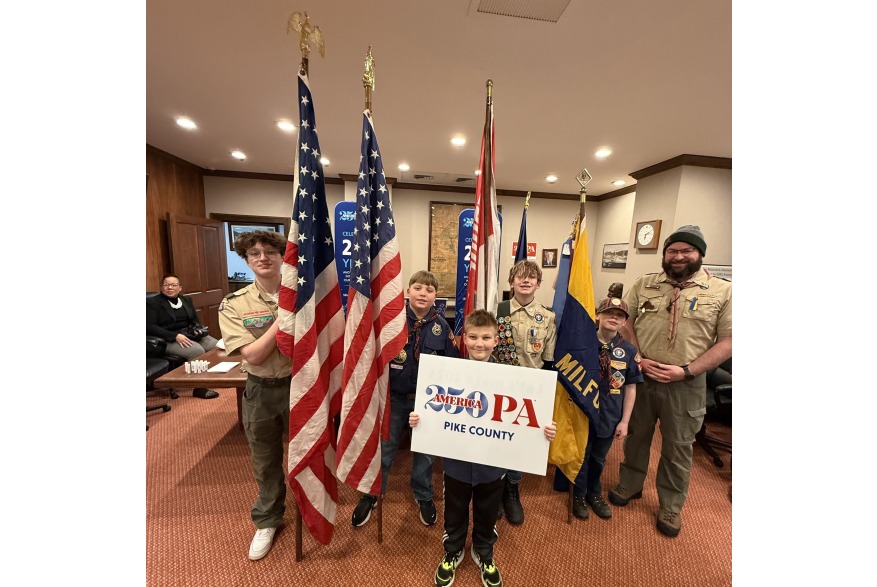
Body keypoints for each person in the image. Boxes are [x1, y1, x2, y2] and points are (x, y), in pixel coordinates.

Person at [409, 309, 556, 587]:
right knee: (455, 508)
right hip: (457, 464)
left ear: (496, 340)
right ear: (464, 339)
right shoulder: (448, 374)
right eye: (474, 337)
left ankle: (484, 551)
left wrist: (543, 430)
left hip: (493, 464)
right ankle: (453, 550)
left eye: (486, 337)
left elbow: (527, 417)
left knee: (488, 510)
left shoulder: (512, 378)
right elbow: (433, 408)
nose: (480, 343)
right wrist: (420, 419)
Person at [609, 225, 732, 537]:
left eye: (686, 251)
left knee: (678, 448)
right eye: (673, 251)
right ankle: (630, 485)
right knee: (636, 436)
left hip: (686, 383)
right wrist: (637, 358)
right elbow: (624, 322)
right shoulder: (644, 284)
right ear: (665, 255)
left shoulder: (722, 291)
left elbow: (728, 342)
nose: (679, 256)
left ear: (699, 254)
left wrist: (688, 370)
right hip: (642, 375)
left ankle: (671, 506)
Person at [351, 270, 459, 528]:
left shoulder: (441, 326)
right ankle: (372, 492)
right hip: (394, 398)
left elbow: (453, 365)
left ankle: (423, 494)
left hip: (428, 402)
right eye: (418, 287)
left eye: (430, 290)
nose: (423, 293)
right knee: (385, 449)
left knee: (425, 454)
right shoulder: (391, 322)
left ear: (436, 296)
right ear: (407, 291)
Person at [217, 230, 291, 560]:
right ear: (246, 260)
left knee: (313, 453)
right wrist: (284, 317)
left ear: (282, 256)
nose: (262, 257)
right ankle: (268, 519)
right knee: (266, 461)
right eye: (254, 253)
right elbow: (254, 355)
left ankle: (314, 509)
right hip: (262, 391)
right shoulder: (235, 304)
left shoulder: (307, 295)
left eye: (270, 251)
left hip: (302, 387)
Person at [552, 296, 643, 520]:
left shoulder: (629, 351)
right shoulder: (582, 346)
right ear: (597, 316)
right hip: (582, 412)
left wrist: (625, 421)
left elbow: (630, 387)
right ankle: (579, 494)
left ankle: (594, 492)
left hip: (609, 415)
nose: (614, 318)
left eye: (620, 315)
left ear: (624, 322)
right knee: (581, 454)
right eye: (609, 313)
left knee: (598, 458)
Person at [491, 260, 557, 525]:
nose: (526, 281)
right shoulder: (498, 311)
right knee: (497, 438)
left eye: (531, 277)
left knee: (520, 442)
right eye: (520, 277)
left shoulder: (548, 316)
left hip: (531, 388)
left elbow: (549, 360)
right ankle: (494, 489)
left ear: (538, 283)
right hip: (499, 385)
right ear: (512, 282)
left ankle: (512, 489)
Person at [146, 273, 220, 399]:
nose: (170, 287)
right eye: (166, 284)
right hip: (167, 338)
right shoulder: (152, 303)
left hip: (188, 334)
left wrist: (198, 328)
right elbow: (149, 326)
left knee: (216, 345)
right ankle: (199, 388)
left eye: (173, 285)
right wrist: (175, 336)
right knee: (197, 351)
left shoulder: (186, 300)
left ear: (179, 288)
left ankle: (214, 379)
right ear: (161, 287)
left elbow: (195, 320)